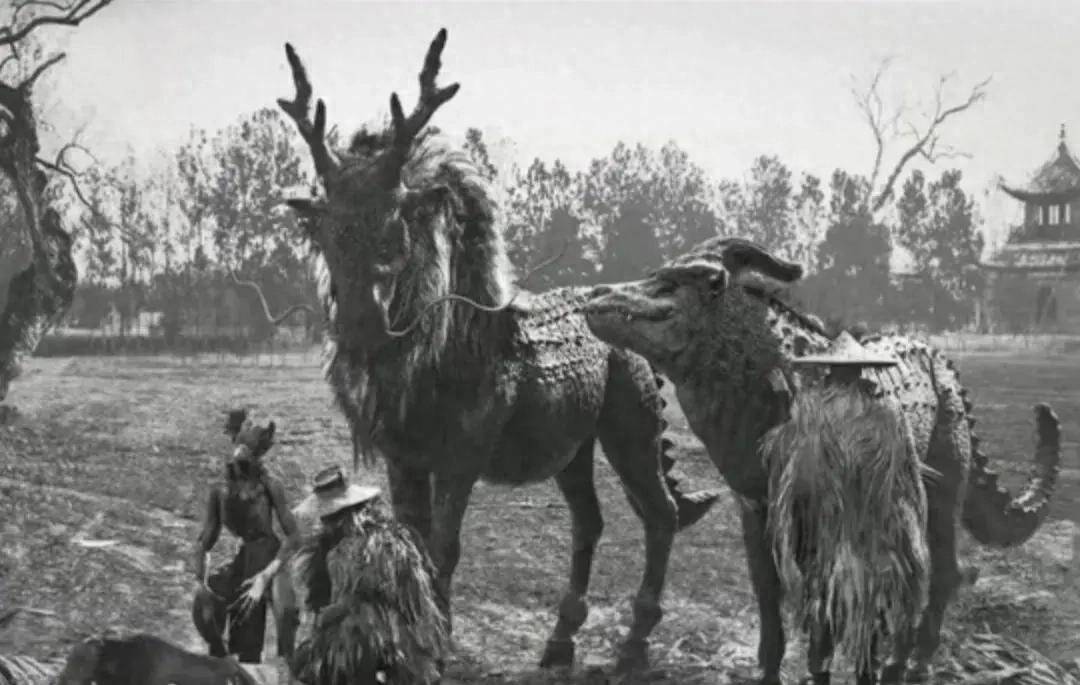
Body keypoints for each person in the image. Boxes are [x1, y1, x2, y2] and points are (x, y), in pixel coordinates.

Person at [287, 464, 451, 685]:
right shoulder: (330, 546)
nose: (323, 521)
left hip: (389, 635)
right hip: (373, 637)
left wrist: (335, 614)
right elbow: (320, 597)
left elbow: (377, 601)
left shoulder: (372, 545)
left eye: (328, 516)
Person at [191, 409, 301, 665]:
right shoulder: (219, 491)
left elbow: (294, 537)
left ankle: (286, 668)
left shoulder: (270, 486)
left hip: (270, 556)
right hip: (244, 558)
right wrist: (199, 580)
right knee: (215, 598)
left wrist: (266, 575)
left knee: (284, 610)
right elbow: (205, 541)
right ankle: (223, 662)